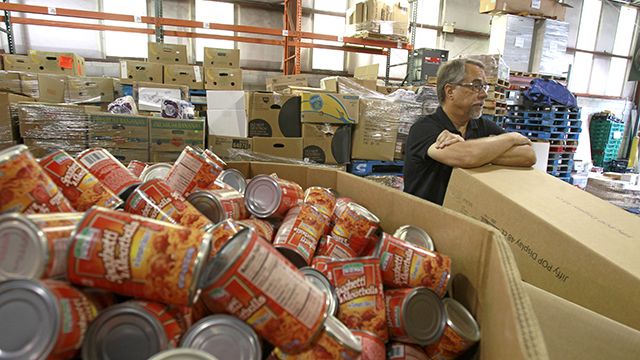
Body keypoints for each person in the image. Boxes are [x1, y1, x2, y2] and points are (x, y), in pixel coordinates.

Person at [404, 58, 536, 205]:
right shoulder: (424, 128)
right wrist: (511, 139)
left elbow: (528, 155)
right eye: (476, 86)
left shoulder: (482, 126)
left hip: (464, 217)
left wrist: (480, 153)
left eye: (484, 87)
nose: (484, 94)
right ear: (450, 91)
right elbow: (467, 156)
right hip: (425, 219)